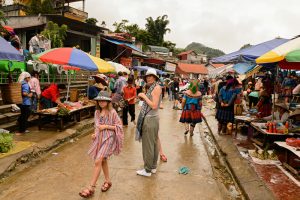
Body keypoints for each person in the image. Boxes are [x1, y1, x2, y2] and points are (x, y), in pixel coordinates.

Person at [79, 91, 124, 198]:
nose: (102, 102)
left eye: (104, 100)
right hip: (99, 139)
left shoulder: (112, 112)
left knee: (98, 160)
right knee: (103, 160)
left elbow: (119, 127)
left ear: (108, 101)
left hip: (109, 139)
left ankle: (91, 187)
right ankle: (108, 181)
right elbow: (97, 126)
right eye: (100, 100)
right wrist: (95, 133)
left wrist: (106, 127)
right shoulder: (97, 113)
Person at [136, 68, 162, 177]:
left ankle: (147, 170)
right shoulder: (154, 87)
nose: (148, 77)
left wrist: (143, 96)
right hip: (153, 118)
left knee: (148, 145)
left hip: (150, 119)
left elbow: (154, 105)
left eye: (151, 76)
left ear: (155, 77)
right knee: (154, 143)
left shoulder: (155, 88)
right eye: (147, 76)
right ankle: (153, 167)